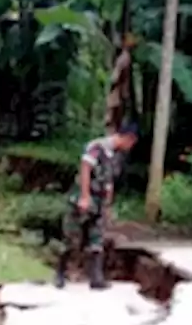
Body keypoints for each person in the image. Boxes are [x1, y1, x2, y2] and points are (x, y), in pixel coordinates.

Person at [55, 122, 140, 290]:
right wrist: (84, 196)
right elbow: (85, 168)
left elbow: (109, 178)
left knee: (97, 239)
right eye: (131, 143)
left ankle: (96, 278)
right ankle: (59, 273)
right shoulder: (97, 147)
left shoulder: (116, 155)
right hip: (84, 197)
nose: (131, 147)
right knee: (71, 237)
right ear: (128, 138)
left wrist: (108, 200)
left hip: (99, 201)